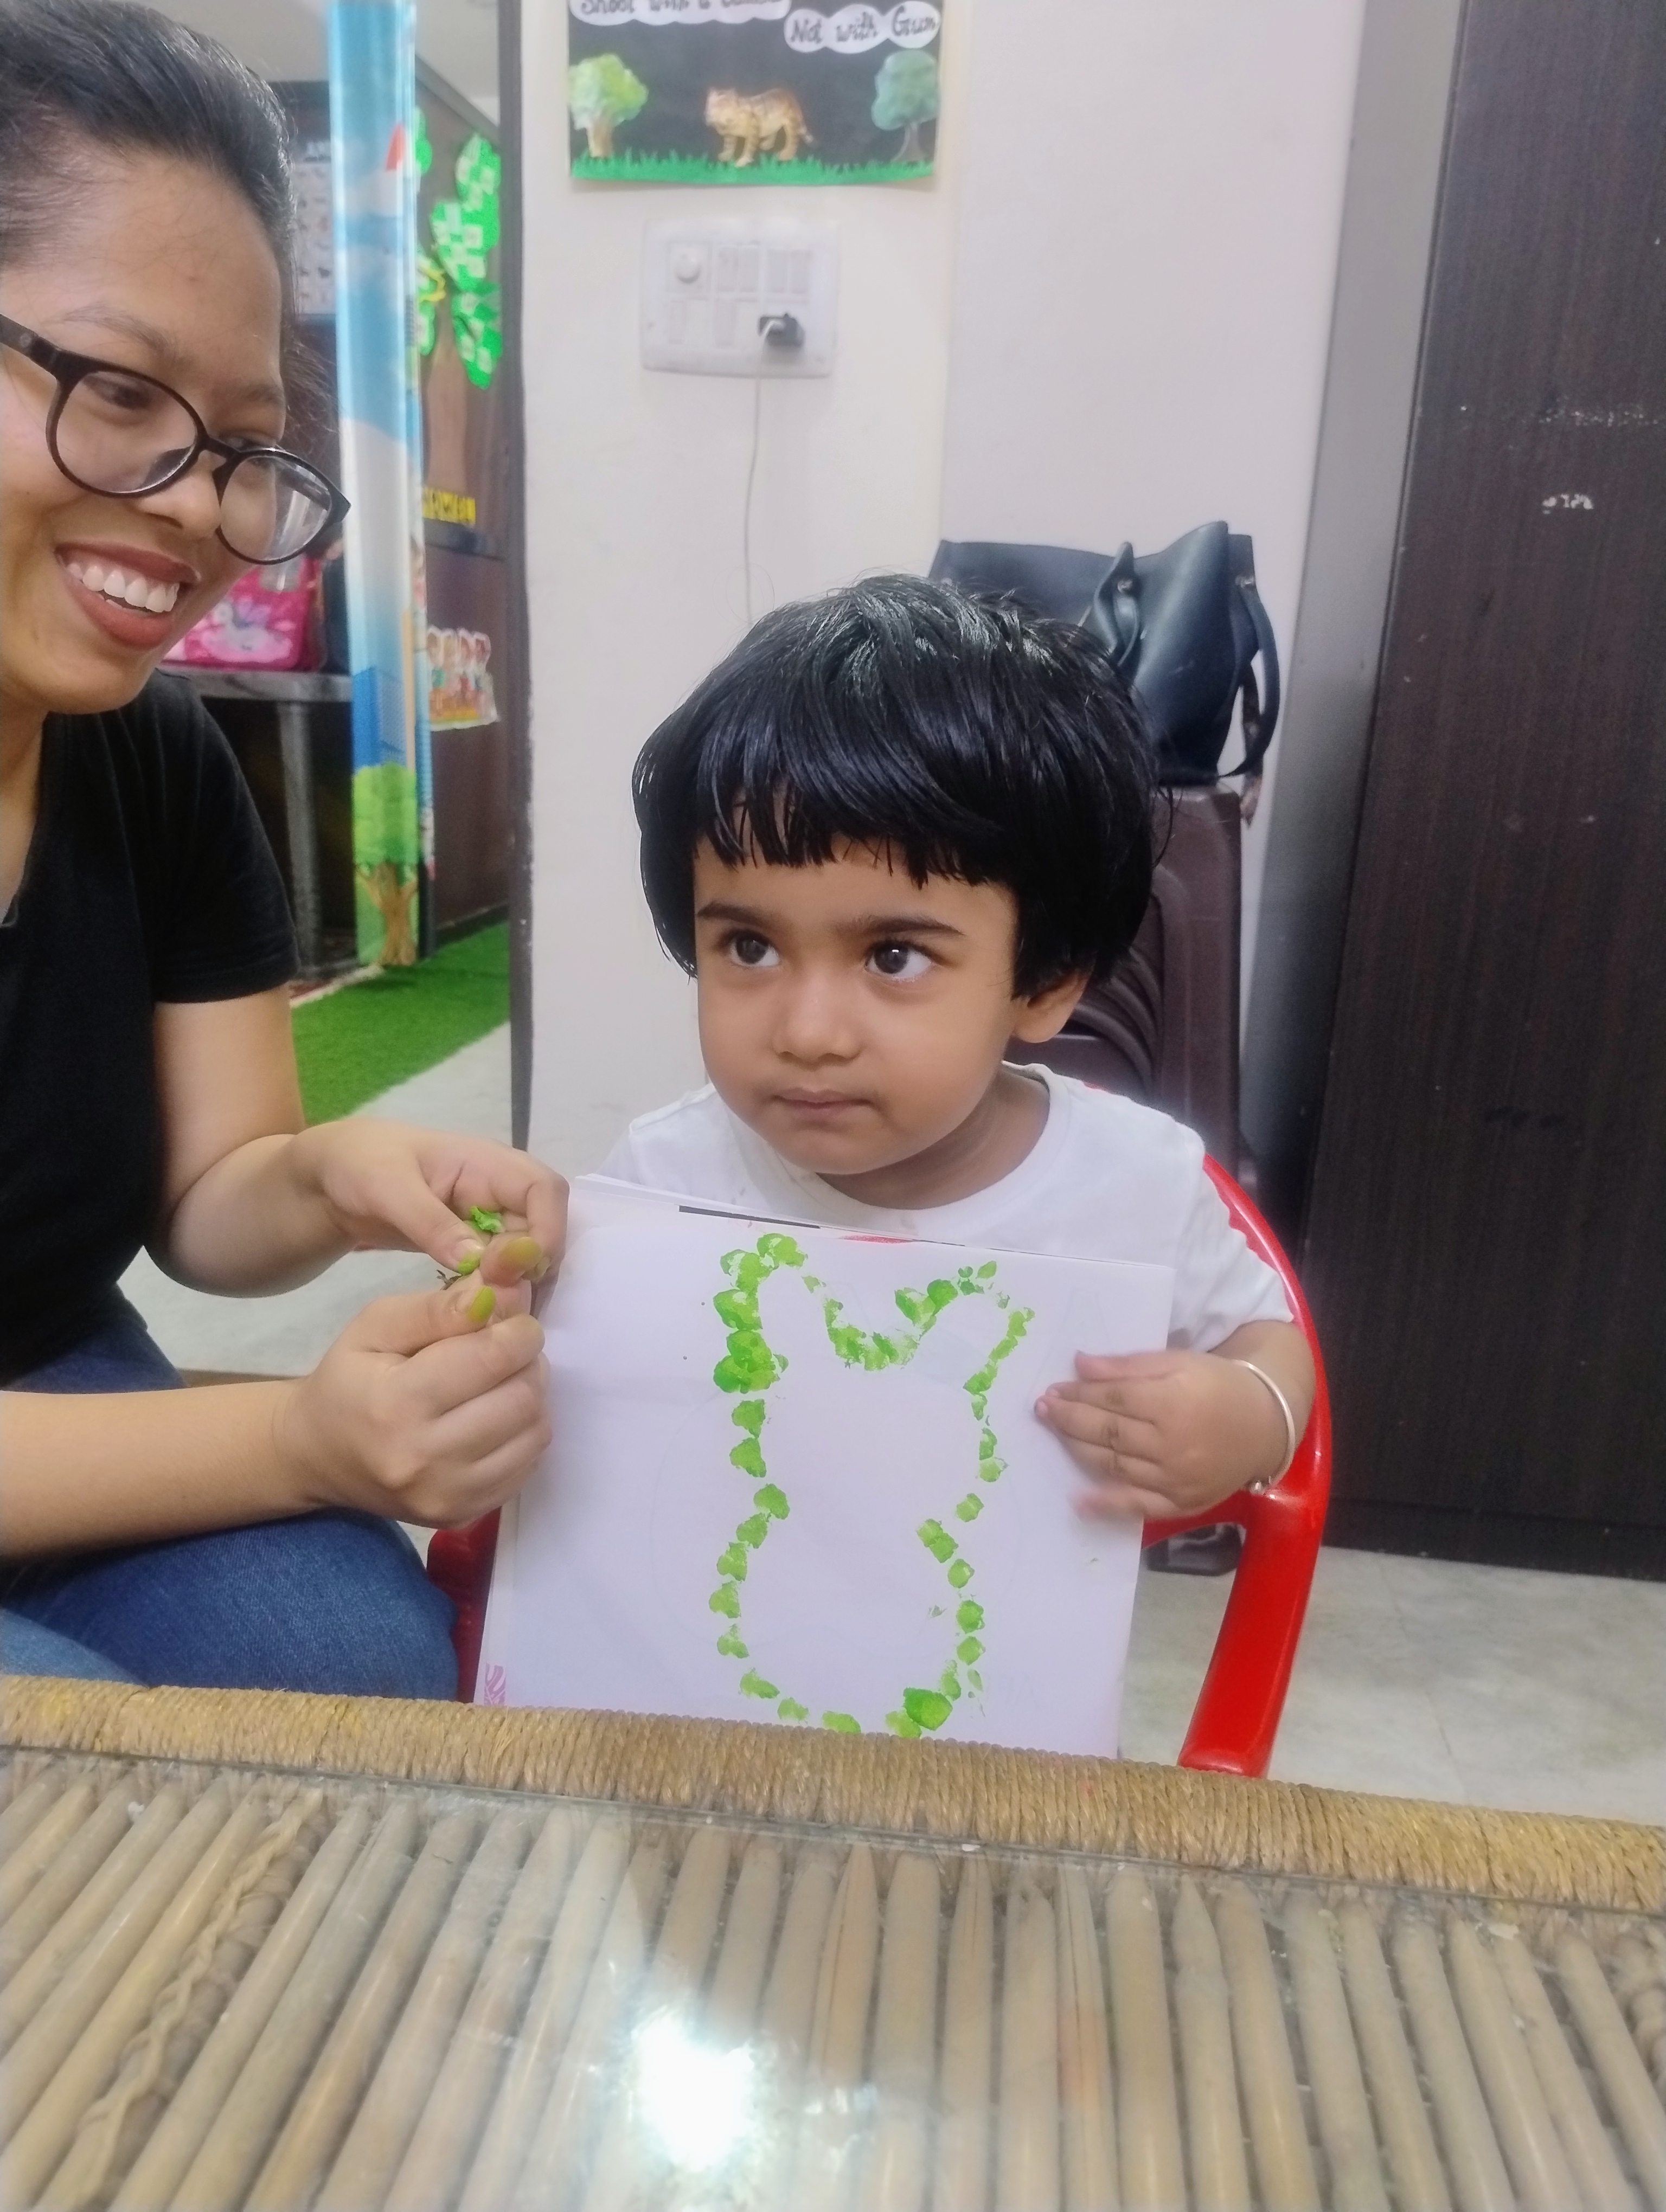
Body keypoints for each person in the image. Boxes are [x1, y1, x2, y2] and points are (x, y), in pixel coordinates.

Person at [0, 0, 560, 1694]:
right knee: (76, 1794)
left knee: (359, 1670)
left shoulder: (158, 764)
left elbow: (204, 1202)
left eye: (241, 446)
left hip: (57, 1375)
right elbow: (285, 1448)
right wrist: (302, 1445)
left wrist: (334, 1179)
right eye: (115, 394)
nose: (191, 510)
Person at [611, 576, 1314, 1522]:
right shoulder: (662, 1177)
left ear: (1047, 977)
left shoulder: (1133, 1184)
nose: (807, 1034)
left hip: (987, 1653)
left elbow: (1271, 1339)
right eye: (750, 946)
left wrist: (1248, 1417)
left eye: (893, 956)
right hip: (706, 1639)